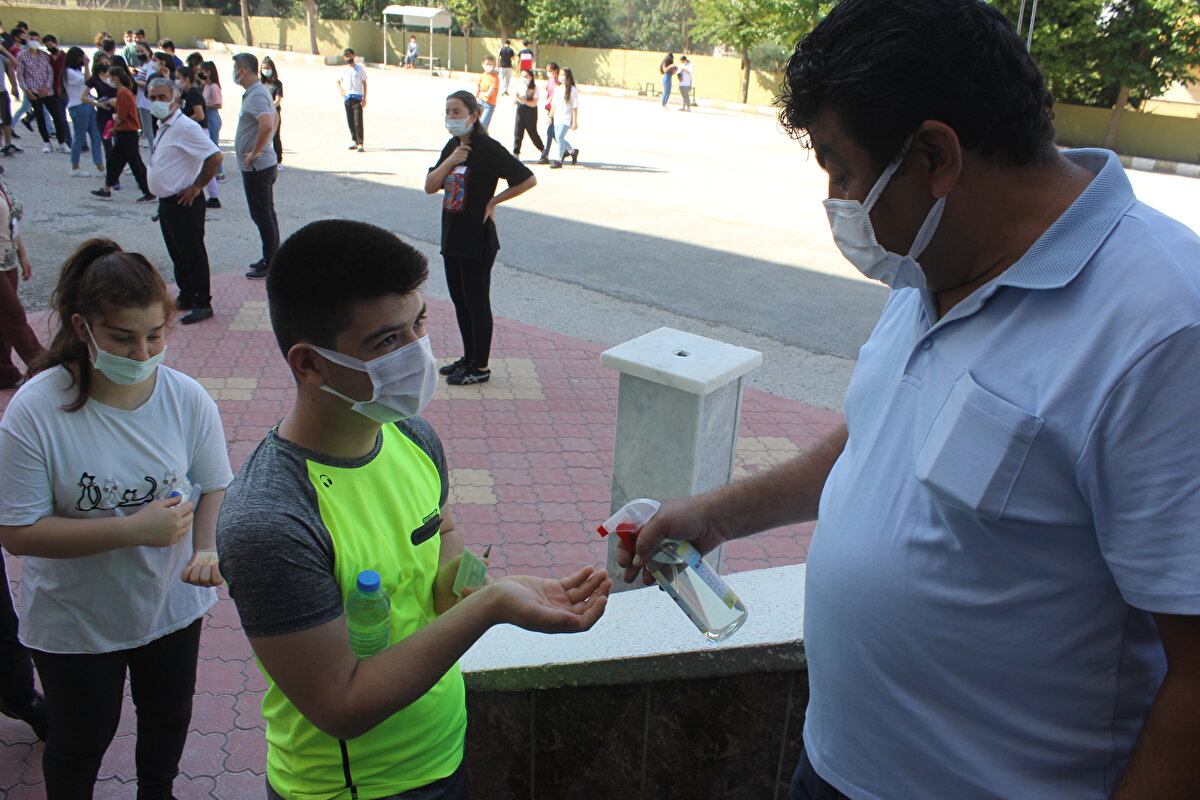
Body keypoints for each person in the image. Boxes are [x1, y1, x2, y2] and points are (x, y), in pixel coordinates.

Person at [617, 1, 1200, 799]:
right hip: (833, 764)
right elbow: (880, 438)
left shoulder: (1164, 328)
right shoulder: (935, 257)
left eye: (841, 168)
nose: (837, 199)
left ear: (934, 155)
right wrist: (720, 515)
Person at [216, 218, 610, 800]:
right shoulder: (271, 520)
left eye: (419, 324)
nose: (418, 354)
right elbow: (341, 705)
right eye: (386, 342)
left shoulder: (410, 436)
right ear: (310, 364)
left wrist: (481, 585)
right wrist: (493, 607)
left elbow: (442, 550)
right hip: (355, 788)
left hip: (446, 750)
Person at [0, 237, 232, 799]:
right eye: (123, 339)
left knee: (167, 718)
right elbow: (17, 533)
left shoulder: (187, 398)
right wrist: (131, 530)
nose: (143, 353)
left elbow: (213, 485)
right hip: (76, 619)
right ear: (83, 328)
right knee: (81, 739)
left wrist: (206, 549)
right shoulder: (37, 409)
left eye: (156, 336)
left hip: (170, 606)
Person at [425, 90, 536, 385]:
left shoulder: (487, 149)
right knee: (460, 301)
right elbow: (429, 185)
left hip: (476, 237)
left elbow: (527, 178)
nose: (451, 118)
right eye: (448, 112)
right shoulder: (452, 146)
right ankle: (468, 356)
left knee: (476, 302)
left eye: (457, 112)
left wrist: (493, 201)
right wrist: (451, 160)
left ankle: (480, 367)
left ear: (473, 116)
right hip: (452, 236)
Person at [146, 76, 221, 325]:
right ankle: (187, 294)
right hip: (167, 201)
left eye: (162, 98)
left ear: (176, 101)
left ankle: (202, 301)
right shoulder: (163, 125)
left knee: (192, 252)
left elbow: (214, 157)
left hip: (184, 201)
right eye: (152, 97)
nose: (156, 102)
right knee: (177, 252)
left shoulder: (185, 127)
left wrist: (197, 186)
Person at [232, 52, 279, 280]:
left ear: (242, 70)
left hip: (257, 168)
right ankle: (271, 256)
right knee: (265, 213)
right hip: (259, 166)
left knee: (262, 215)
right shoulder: (257, 92)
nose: (234, 73)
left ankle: (271, 261)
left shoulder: (257, 94)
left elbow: (268, 124)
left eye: (235, 68)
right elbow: (275, 119)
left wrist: (256, 151)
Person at [0, 165, 43, 389]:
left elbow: (11, 222)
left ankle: (4, 373)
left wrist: (22, 254)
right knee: (15, 318)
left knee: (4, 321)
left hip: (7, 260)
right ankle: (48, 369)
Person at [90, 65, 155, 203]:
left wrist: (114, 126)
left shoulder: (123, 93)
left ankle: (149, 192)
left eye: (110, 77)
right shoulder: (124, 92)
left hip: (127, 132)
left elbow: (122, 116)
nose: (108, 80)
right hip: (126, 132)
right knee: (116, 161)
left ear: (116, 78)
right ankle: (107, 189)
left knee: (134, 163)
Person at [16, 36, 66, 153]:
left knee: (57, 117)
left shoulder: (44, 55)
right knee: (40, 117)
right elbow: (20, 75)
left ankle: (62, 142)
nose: (34, 41)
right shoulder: (22, 56)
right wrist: (27, 91)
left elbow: (50, 72)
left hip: (47, 91)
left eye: (37, 39)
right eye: (32, 39)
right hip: (33, 91)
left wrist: (46, 86)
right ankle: (46, 143)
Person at [64, 47, 103, 178]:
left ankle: (100, 165)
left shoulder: (74, 71)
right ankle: (75, 167)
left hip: (87, 105)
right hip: (78, 106)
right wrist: (87, 65)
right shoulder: (69, 72)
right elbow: (88, 81)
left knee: (96, 136)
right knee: (79, 138)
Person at [84, 55, 117, 171]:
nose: (105, 64)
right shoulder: (95, 79)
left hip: (118, 114)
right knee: (108, 146)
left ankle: (118, 168)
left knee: (120, 146)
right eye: (102, 62)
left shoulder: (115, 77)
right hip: (103, 115)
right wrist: (98, 104)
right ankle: (112, 175)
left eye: (107, 62)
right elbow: (84, 96)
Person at [43, 36, 72, 151]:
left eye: (51, 45)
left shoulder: (65, 58)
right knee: (60, 118)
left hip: (63, 91)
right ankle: (66, 141)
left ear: (56, 43)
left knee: (62, 118)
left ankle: (68, 141)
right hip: (52, 92)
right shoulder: (48, 58)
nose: (49, 48)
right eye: (47, 46)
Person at [199, 60, 224, 194]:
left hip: (212, 116)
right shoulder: (206, 85)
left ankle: (219, 171)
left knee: (213, 144)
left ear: (208, 72)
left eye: (202, 71)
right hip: (207, 117)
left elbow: (218, 104)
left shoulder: (214, 86)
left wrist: (204, 104)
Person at [548, 67, 579, 169]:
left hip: (566, 118)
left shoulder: (573, 90)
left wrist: (575, 122)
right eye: (560, 74)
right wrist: (550, 116)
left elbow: (575, 107)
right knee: (558, 138)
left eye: (563, 75)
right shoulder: (558, 88)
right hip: (558, 117)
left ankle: (559, 160)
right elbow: (554, 104)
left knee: (560, 137)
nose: (561, 77)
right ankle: (572, 151)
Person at [338, 48, 367, 152]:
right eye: (346, 57)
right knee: (350, 121)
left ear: (354, 56)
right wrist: (341, 90)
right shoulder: (344, 70)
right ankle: (354, 140)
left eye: (350, 56)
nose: (348, 58)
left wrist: (364, 98)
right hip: (348, 98)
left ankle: (360, 143)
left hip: (357, 98)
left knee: (358, 121)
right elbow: (338, 81)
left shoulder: (359, 69)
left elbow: (364, 83)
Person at [512, 69, 544, 160]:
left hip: (530, 111)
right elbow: (518, 98)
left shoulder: (534, 88)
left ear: (531, 77)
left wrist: (522, 100)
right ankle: (516, 152)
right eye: (522, 76)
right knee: (518, 131)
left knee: (532, 132)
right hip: (520, 109)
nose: (523, 78)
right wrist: (517, 100)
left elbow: (533, 103)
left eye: (526, 76)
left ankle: (543, 150)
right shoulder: (520, 86)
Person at [131, 41, 156, 152]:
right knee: (146, 131)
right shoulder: (144, 65)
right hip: (141, 101)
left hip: (147, 103)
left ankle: (154, 154)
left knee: (150, 131)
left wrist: (133, 80)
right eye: (137, 51)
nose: (139, 53)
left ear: (148, 51)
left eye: (142, 51)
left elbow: (148, 83)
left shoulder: (151, 65)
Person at [260, 56, 283, 167]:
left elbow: (278, 100)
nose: (265, 70)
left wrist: (270, 107)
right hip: (262, 113)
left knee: (275, 136)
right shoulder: (260, 83)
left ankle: (278, 160)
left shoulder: (277, 84)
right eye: (263, 68)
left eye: (268, 67)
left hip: (274, 113)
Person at [537, 62, 559, 164]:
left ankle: (545, 154)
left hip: (555, 109)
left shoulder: (559, 82)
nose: (549, 73)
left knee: (550, 132)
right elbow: (549, 92)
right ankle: (569, 150)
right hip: (549, 107)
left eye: (550, 71)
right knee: (555, 134)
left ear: (556, 71)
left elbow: (556, 96)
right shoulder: (550, 80)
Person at [0, 43, 20, 155]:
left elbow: (15, 63)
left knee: (6, 119)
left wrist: (4, 50)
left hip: (2, 92)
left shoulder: (1, 57)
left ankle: (8, 144)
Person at [476, 57, 498, 130]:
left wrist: (481, 93)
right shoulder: (481, 76)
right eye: (487, 64)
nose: (489, 66)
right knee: (476, 124)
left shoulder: (495, 78)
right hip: (480, 102)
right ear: (482, 64)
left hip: (489, 104)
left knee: (483, 125)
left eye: (490, 64)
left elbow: (489, 94)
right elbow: (477, 90)